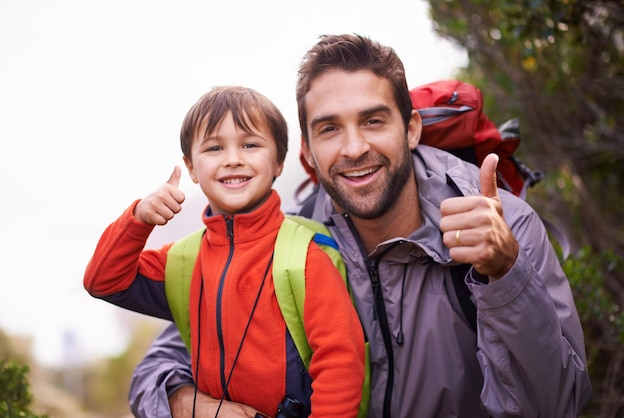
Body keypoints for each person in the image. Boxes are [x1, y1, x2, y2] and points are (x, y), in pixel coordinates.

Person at [128, 35, 592, 418]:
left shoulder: (503, 225)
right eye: (329, 129)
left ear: (410, 129)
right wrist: (189, 403)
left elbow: (562, 405)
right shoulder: (284, 243)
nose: (353, 148)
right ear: (308, 153)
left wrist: (505, 274)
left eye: (373, 120)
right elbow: (159, 367)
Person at [83, 85, 365, 417]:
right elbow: (103, 281)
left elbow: (341, 360)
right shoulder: (184, 261)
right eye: (214, 148)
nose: (233, 159)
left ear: (278, 162)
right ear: (191, 167)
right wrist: (137, 220)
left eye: (250, 145)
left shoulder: (305, 256)